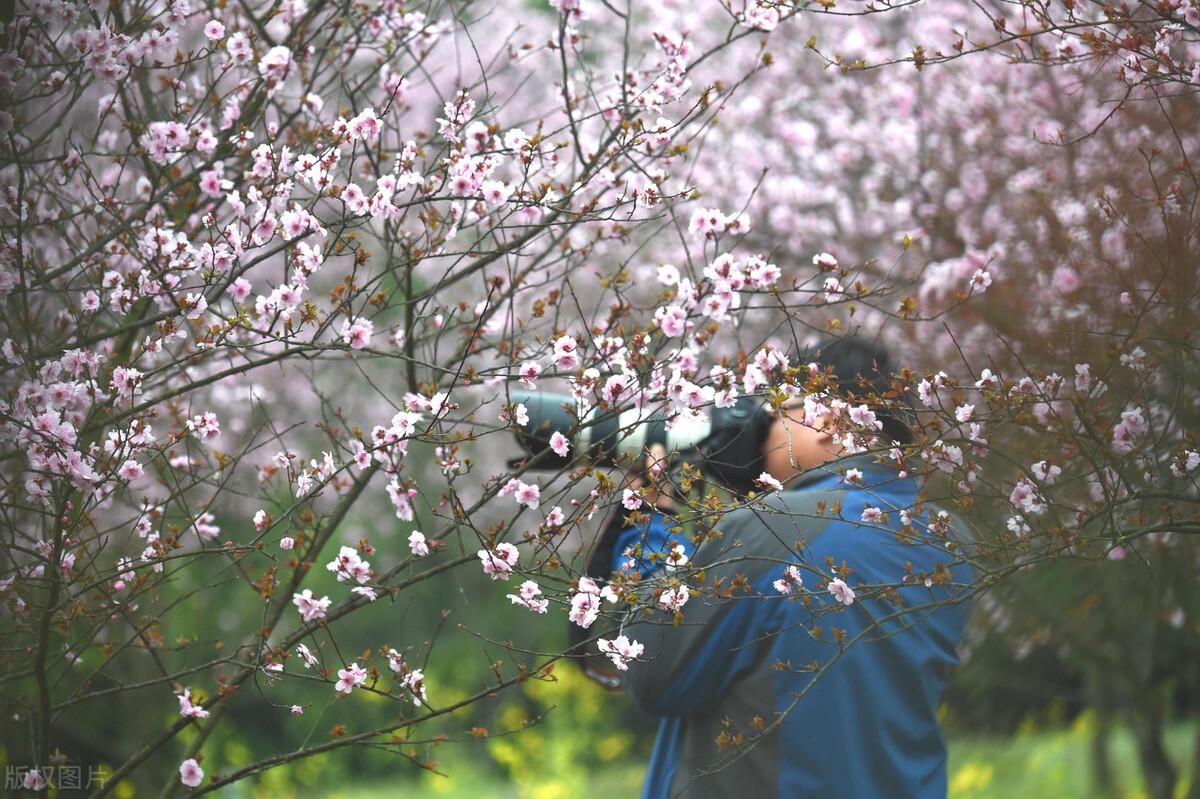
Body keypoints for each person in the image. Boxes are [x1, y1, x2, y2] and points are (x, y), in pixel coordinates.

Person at [588, 336, 976, 798]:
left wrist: (650, 521)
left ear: (827, 421)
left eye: (775, 413)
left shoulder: (777, 530)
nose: (762, 432)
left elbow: (648, 667)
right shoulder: (947, 541)